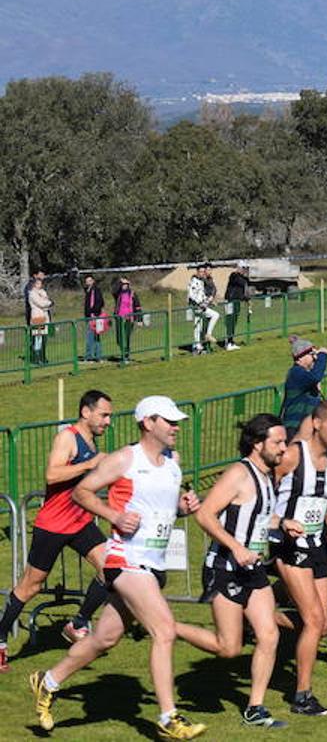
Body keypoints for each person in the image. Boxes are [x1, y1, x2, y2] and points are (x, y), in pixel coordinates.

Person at [28, 395, 206, 740]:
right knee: (164, 631)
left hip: (153, 563)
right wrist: (114, 516)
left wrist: (184, 508)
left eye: (176, 421)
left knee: (105, 638)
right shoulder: (125, 459)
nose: (175, 427)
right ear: (147, 423)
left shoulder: (173, 463)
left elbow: (163, 508)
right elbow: (81, 492)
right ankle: (169, 717)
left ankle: (47, 681)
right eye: (169, 421)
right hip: (125, 560)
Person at [173, 414, 288, 728]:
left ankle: (255, 708)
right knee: (229, 648)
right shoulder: (238, 473)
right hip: (225, 568)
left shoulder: (268, 475)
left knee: (269, 635)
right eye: (278, 442)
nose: (283, 448)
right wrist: (236, 547)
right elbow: (205, 515)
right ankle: (167, 626)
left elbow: (259, 517)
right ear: (257, 443)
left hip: (253, 569)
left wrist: (283, 523)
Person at [0, 390, 114, 671]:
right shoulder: (67, 438)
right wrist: (90, 464)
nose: (108, 421)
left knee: (110, 567)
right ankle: (0, 638)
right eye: (104, 415)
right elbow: (52, 475)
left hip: (80, 522)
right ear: (86, 412)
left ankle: (78, 623)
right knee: (31, 586)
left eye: (109, 416)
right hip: (53, 525)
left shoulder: (92, 441)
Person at [270, 400, 327, 717]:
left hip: (317, 545)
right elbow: (263, 493)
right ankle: (302, 696)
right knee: (312, 621)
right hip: (288, 545)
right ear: (316, 423)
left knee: (323, 625)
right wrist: (279, 523)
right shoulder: (291, 456)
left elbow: (324, 500)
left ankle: (256, 614)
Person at [279, 336, 327, 440]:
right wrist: (323, 355)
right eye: (312, 354)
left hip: (306, 428)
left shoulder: (305, 374)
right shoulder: (296, 373)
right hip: (295, 428)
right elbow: (315, 377)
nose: (315, 358)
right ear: (300, 358)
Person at [187, 264, 220, 354]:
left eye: (203, 271)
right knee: (212, 317)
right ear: (197, 272)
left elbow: (202, 295)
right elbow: (192, 295)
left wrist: (209, 301)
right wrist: (200, 303)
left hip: (201, 306)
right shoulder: (193, 281)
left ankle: (198, 345)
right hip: (196, 306)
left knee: (199, 325)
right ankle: (200, 343)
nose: (202, 273)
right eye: (201, 271)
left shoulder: (201, 281)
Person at [112, 276, 141, 363]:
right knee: (119, 338)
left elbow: (138, 306)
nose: (124, 285)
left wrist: (139, 319)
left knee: (126, 337)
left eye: (125, 284)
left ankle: (125, 355)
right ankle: (123, 353)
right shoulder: (118, 294)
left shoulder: (132, 294)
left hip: (129, 319)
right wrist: (119, 282)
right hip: (119, 318)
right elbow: (113, 290)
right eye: (122, 284)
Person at [27, 274, 53, 365]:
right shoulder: (32, 294)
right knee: (38, 338)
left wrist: (47, 302)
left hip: (44, 317)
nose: (39, 285)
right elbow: (41, 303)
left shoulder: (42, 292)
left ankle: (43, 356)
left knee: (43, 338)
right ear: (34, 284)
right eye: (37, 283)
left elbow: (47, 300)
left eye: (40, 283)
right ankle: (36, 357)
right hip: (37, 317)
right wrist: (48, 303)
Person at [223, 261, 249, 350]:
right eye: (243, 268)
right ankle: (227, 342)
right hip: (230, 301)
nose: (244, 270)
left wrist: (246, 299)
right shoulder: (234, 276)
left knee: (234, 322)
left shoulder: (242, 278)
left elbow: (241, 291)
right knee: (230, 322)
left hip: (237, 301)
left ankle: (231, 341)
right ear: (238, 268)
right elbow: (239, 282)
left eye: (245, 268)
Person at [82, 275, 106, 362]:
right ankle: (97, 356)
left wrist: (94, 312)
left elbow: (100, 302)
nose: (87, 282)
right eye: (86, 281)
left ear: (93, 281)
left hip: (94, 316)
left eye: (89, 280)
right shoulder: (88, 291)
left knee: (92, 337)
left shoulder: (96, 291)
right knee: (95, 336)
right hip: (90, 316)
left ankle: (90, 356)